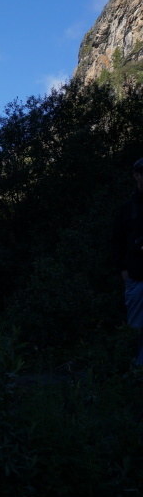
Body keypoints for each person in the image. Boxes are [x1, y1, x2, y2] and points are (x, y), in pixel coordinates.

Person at [112, 157, 143, 366]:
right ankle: (136, 374)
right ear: (136, 176)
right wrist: (124, 272)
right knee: (136, 329)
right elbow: (116, 242)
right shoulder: (127, 209)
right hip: (136, 278)